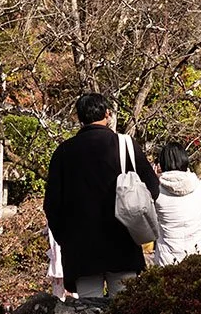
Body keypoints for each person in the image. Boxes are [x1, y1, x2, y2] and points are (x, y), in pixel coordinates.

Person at [42, 92, 159, 299]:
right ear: (108, 114)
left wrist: (66, 238)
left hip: (82, 248)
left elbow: (52, 205)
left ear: (79, 118)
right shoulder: (125, 145)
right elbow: (153, 188)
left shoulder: (63, 152)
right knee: (124, 310)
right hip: (123, 241)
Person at [150, 142, 201, 265]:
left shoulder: (156, 191)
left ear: (162, 163)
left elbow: (150, 217)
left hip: (168, 259)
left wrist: (153, 177)